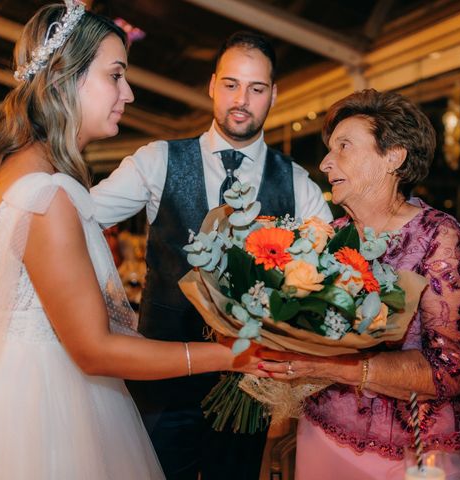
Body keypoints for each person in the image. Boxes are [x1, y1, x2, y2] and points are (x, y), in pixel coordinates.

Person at [0, 3, 265, 479]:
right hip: (52, 415)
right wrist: (231, 354)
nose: (128, 93)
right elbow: (94, 348)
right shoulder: (46, 195)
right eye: (115, 75)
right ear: (62, 81)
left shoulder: (23, 175)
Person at [90, 31, 332, 480]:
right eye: (231, 84)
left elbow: (330, 278)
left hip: (249, 395)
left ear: (273, 95)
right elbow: (77, 220)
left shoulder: (298, 184)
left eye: (256, 89)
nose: (242, 99)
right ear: (212, 85)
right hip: (160, 389)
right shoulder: (156, 160)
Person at [260, 89, 460, 480]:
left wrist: (334, 365)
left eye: (344, 146)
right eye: (329, 150)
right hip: (321, 439)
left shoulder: (437, 238)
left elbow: (448, 372)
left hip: (411, 455)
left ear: (394, 156)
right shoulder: (327, 237)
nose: (326, 162)